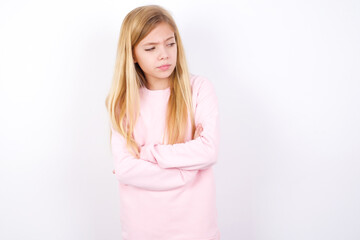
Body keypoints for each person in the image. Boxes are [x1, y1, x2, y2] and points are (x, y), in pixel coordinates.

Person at [105, 5, 221, 240]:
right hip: (142, 228)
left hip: (195, 228)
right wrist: (185, 172)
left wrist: (149, 154)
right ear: (133, 55)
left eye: (170, 43)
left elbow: (209, 151)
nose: (164, 55)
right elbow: (126, 169)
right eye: (151, 48)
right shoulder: (123, 103)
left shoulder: (198, 89)